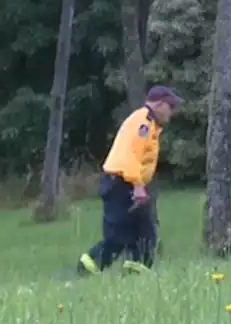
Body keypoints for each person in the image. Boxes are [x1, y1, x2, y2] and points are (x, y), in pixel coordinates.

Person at [77, 85, 182, 275]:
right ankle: (87, 267)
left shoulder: (149, 124)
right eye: (170, 106)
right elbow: (131, 155)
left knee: (145, 233)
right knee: (118, 237)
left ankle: (137, 274)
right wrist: (138, 186)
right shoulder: (142, 123)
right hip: (120, 183)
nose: (172, 112)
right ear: (159, 104)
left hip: (128, 183)